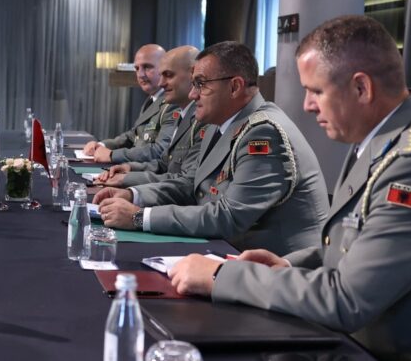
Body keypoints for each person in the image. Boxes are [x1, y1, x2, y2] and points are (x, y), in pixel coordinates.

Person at [168, 16, 411, 360]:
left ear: (361, 88)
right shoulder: (382, 140)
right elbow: (358, 245)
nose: (307, 105)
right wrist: (289, 265)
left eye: (316, 91)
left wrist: (221, 276)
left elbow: (347, 300)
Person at [95, 41, 329, 255]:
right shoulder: (219, 124)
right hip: (230, 250)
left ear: (235, 87)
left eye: (201, 84)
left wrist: (139, 217)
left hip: (278, 267)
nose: (192, 94)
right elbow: (190, 184)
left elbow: (229, 216)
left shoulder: (264, 133)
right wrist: (133, 194)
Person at [95, 46, 204, 187]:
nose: (161, 83)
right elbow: (165, 162)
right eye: (137, 68)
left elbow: (185, 180)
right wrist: (130, 168)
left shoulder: (199, 118)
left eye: (168, 75)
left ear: (193, 75)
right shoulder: (176, 110)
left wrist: (130, 186)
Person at [83, 44, 178, 163]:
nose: (140, 74)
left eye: (147, 67)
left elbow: (160, 151)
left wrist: (112, 155)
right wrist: (101, 145)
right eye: (137, 68)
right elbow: (132, 136)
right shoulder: (150, 100)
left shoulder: (172, 103)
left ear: (164, 69)